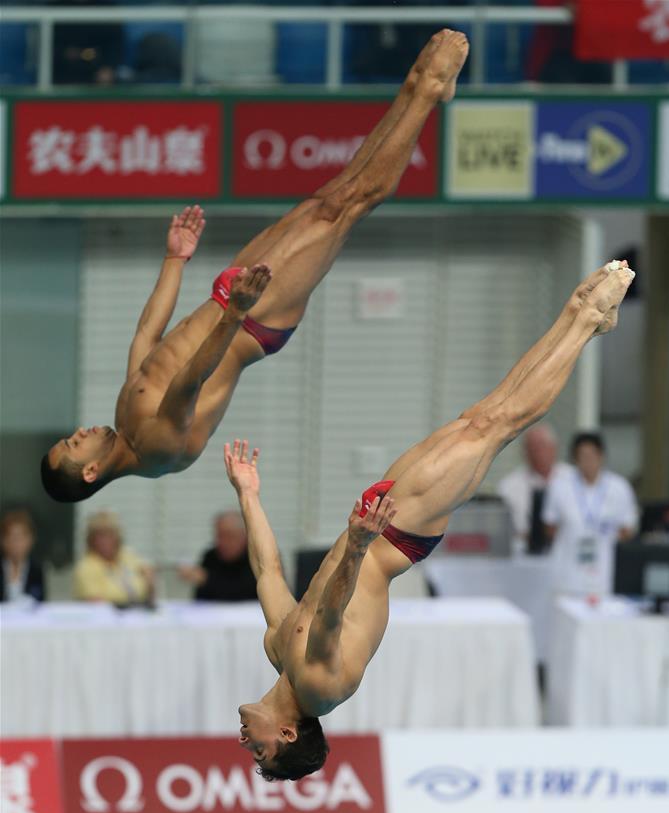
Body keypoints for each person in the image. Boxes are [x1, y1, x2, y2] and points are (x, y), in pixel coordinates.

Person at [226, 261, 634, 781]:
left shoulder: (279, 650)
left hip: (373, 527)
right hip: (392, 534)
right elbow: (329, 615)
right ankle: (584, 320)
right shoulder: (317, 690)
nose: (245, 745)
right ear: (286, 734)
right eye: (259, 753)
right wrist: (354, 548)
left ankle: (585, 318)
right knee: (496, 426)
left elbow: (267, 573)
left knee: (482, 418)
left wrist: (248, 494)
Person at [41, 29, 469, 503]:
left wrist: (175, 259)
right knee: (348, 207)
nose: (79, 432)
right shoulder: (156, 451)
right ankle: (427, 90)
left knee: (328, 198)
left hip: (231, 301)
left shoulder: (125, 418)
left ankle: (416, 91)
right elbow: (191, 378)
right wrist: (235, 314)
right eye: (74, 445)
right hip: (252, 320)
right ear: (91, 472)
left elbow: (147, 333)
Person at [543, 431, 639, 597]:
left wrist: (604, 537)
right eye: (582, 456)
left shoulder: (619, 487)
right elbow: (550, 526)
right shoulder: (560, 485)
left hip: (603, 570)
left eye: (592, 455)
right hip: (567, 572)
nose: (588, 461)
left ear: (601, 456)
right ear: (575, 458)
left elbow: (628, 528)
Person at [497, 423, 573, 553]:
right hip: (523, 555)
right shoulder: (508, 486)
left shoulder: (574, 480)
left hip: (568, 552)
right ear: (524, 452)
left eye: (542, 446)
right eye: (531, 447)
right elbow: (502, 531)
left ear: (554, 448)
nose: (537, 453)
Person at [74, 511, 154, 605]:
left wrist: (151, 583)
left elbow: (149, 587)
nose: (105, 541)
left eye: (110, 535)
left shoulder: (128, 556)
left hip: (138, 612)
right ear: (91, 540)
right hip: (105, 616)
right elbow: (94, 602)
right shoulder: (86, 566)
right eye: (100, 536)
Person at [178, 511, 258, 602]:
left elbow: (245, 593)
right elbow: (200, 599)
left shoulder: (256, 559)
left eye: (229, 536)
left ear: (245, 536)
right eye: (219, 536)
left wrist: (207, 579)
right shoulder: (210, 556)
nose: (223, 542)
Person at [0, 510, 45, 604]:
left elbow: (41, 602)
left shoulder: (36, 570)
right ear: (3, 540)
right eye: (12, 538)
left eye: (20, 538)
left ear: (30, 540)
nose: (16, 544)